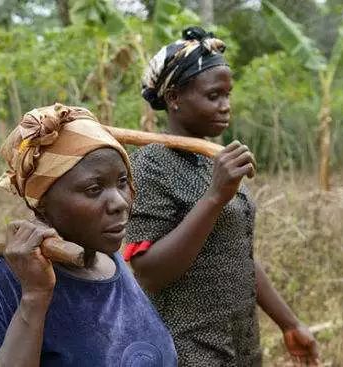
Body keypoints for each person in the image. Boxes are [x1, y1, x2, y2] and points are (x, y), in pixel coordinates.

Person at [123, 27, 319, 367]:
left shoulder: (214, 159)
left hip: (240, 345)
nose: (225, 106)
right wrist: (215, 197)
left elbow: (235, 252)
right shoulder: (150, 165)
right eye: (213, 96)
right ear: (174, 99)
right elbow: (147, 274)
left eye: (228, 95)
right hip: (187, 347)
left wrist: (289, 323)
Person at [0, 104, 177, 367]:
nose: (120, 202)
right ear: (42, 202)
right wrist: (34, 296)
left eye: (122, 182)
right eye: (93, 188)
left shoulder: (109, 261)